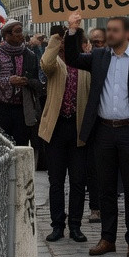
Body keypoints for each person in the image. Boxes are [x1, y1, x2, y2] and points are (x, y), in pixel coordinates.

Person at [63, 12, 129, 257]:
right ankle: (107, 238)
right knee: (105, 188)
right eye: (108, 30)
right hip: (103, 131)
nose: (110, 34)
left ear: (127, 34)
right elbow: (73, 58)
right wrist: (73, 31)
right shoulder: (98, 56)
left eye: (115, 30)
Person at [39, 26, 91, 243]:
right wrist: (55, 40)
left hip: (78, 129)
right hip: (56, 129)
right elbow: (45, 64)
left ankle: (75, 225)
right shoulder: (56, 64)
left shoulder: (85, 64)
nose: (65, 45)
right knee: (56, 181)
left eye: (70, 41)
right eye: (63, 42)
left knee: (78, 181)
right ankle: (57, 224)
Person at [0, 21, 43, 147]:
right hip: (0, 109)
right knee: (1, 147)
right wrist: (8, 81)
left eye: (21, 31)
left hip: (22, 110)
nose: (21, 35)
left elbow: (38, 82)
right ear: (7, 35)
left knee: (20, 147)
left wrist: (27, 82)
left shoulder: (30, 55)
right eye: (17, 32)